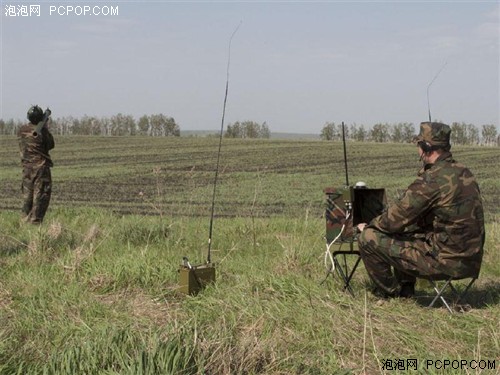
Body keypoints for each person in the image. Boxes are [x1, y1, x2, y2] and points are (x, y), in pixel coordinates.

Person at [356, 122, 485, 298]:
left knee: (368, 238)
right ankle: (406, 290)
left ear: (426, 147)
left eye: (419, 145)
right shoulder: (465, 172)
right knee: (409, 230)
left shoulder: (433, 179)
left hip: (445, 262)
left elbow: (394, 220)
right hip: (470, 261)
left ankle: (390, 294)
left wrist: (369, 226)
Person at [17, 105, 55, 224]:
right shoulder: (42, 131)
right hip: (40, 169)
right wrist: (45, 127)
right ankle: (35, 224)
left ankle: (24, 221)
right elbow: (50, 144)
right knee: (41, 196)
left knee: (27, 197)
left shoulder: (22, 130)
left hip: (27, 168)